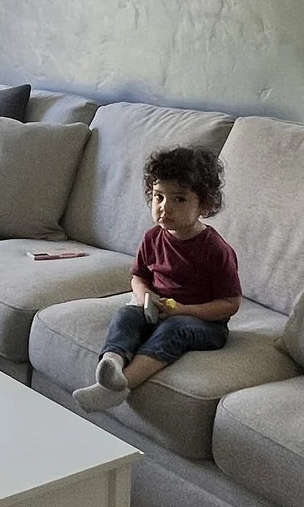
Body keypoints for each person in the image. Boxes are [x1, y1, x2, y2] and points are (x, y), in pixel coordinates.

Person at [73, 145, 242, 413]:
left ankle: (120, 387)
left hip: (204, 324)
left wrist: (185, 310)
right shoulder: (153, 237)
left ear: (205, 206)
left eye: (179, 199)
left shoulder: (215, 249)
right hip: (158, 310)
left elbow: (231, 303)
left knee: (174, 329)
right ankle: (112, 364)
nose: (165, 208)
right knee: (126, 315)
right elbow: (138, 276)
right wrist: (144, 298)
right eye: (158, 197)